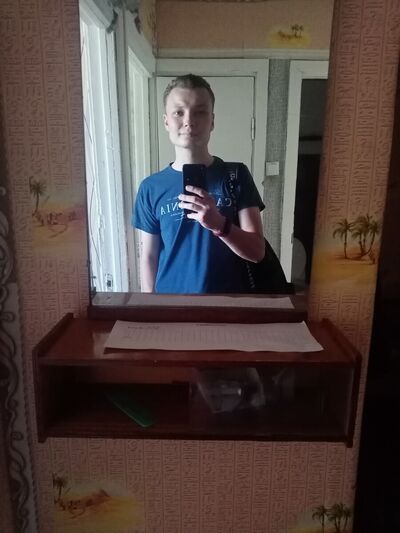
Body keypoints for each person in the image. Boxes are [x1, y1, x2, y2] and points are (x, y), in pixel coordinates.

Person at [133, 74, 265, 294]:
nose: (189, 121)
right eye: (179, 112)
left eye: (200, 112)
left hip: (230, 303)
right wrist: (150, 307)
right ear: (166, 121)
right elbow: (149, 257)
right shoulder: (151, 187)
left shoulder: (236, 175)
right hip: (171, 305)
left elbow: (257, 252)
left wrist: (219, 224)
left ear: (212, 121)